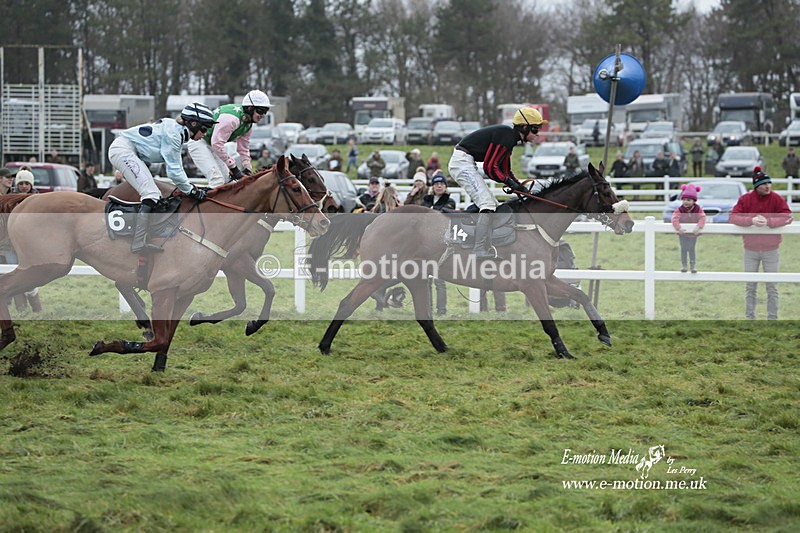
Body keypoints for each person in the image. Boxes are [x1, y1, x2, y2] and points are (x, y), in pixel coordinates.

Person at [108, 102, 212, 254]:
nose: (205, 133)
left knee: (153, 194)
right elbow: (174, 172)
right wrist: (192, 191)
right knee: (151, 194)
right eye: (204, 129)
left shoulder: (177, 130)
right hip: (124, 150)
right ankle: (138, 242)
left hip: (129, 151)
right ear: (193, 124)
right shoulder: (175, 135)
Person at [448, 106, 546, 258]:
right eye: (535, 130)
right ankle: (478, 249)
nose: (537, 135)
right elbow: (490, 168)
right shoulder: (506, 136)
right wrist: (510, 183)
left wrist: (518, 186)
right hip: (461, 163)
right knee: (487, 204)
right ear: (525, 127)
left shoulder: (510, 138)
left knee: (492, 205)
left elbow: (504, 169)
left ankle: (471, 235)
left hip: (466, 162)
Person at [729, 167, 793, 320]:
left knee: (772, 286)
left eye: (769, 183)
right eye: (764, 184)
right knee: (750, 286)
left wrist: (769, 222)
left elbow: (788, 216)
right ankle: (750, 318)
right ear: (757, 186)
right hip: (750, 249)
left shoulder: (776, 198)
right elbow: (733, 217)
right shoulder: (745, 200)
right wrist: (750, 221)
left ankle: (772, 319)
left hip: (771, 250)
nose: (768, 186)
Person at [187, 90, 270, 187]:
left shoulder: (248, 125)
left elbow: (243, 149)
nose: (262, 115)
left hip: (212, 146)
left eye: (265, 111)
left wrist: (247, 168)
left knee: (230, 183)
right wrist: (234, 168)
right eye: (260, 111)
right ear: (249, 108)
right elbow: (217, 143)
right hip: (199, 142)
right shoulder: (232, 119)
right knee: (217, 180)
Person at [8, 168, 42, 312]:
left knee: (30, 277)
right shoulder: (9, 199)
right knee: (14, 276)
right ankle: (21, 309)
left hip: (30, 245)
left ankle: (37, 309)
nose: (23, 186)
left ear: (31, 185)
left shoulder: (38, 200)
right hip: (10, 244)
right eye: (21, 183)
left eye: (26, 183)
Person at [423, 172, 457, 315]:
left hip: (442, 243)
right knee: (426, 280)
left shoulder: (449, 200)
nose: (439, 186)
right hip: (425, 242)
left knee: (439, 279)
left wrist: (432, 212)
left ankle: (441, 310)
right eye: (436, 184)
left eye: (441, 184)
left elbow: (447, 212)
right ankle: (428, 309)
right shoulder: (427, 199)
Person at [671, 183, 706, 273]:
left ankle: (693, 265)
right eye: (684, 199)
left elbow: (702, 217)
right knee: (683, 248)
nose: (686, 202)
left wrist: (699, 226)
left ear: (694, 201)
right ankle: (684, 265)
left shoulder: (698, 209)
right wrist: (679, 228)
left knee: (691, 248)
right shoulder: (680, 209)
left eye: (689, 200)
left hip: (693, 233)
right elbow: (674, 218)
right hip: (683, 233)